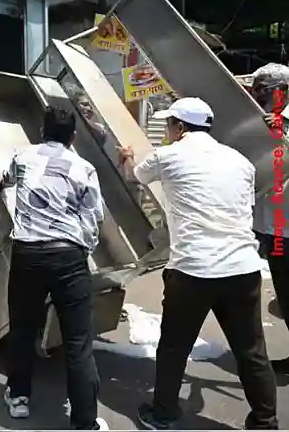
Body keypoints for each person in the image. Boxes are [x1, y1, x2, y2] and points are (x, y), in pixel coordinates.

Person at [118, 97, 277, 430]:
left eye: (170, 125)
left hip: (194, 269)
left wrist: (127, 157)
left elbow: (134, 179)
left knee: (175, 346)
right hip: (243, 267)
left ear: (178, 127)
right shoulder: (240, 161)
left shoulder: (169, 154)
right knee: (251, 351)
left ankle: (163, 414)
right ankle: (265, 422)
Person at [0, 107, 107, 431]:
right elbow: (94, 219)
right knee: (78, 341)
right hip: (68, 257)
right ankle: (85, 422)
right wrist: (80, 251)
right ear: (73, 137)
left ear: (41, 131)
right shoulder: (85, 168)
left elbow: (6, 178)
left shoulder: (23, 156)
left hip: (29, 255)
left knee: (22, 330)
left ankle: (18, 398)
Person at [250, 66, 289, 375]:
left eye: (265, 89)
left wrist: (282, 132)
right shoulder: (258, 118)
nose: (259, 94)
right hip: (270, 225)